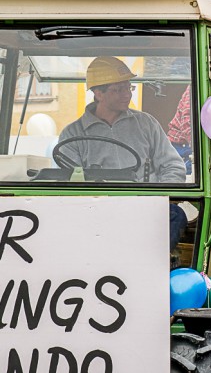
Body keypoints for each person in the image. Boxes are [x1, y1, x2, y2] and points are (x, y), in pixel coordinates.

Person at [59, 56, 187, 247]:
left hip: (145, 208)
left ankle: (150, 267)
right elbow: (68, 184)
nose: (127, 94)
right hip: (97, 212)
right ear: (97, 93)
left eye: (128, 87)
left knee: (176, 216)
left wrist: (158, 198)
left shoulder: (146, 123)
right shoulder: (72, 134)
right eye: (118, 89)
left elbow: (173, 165)